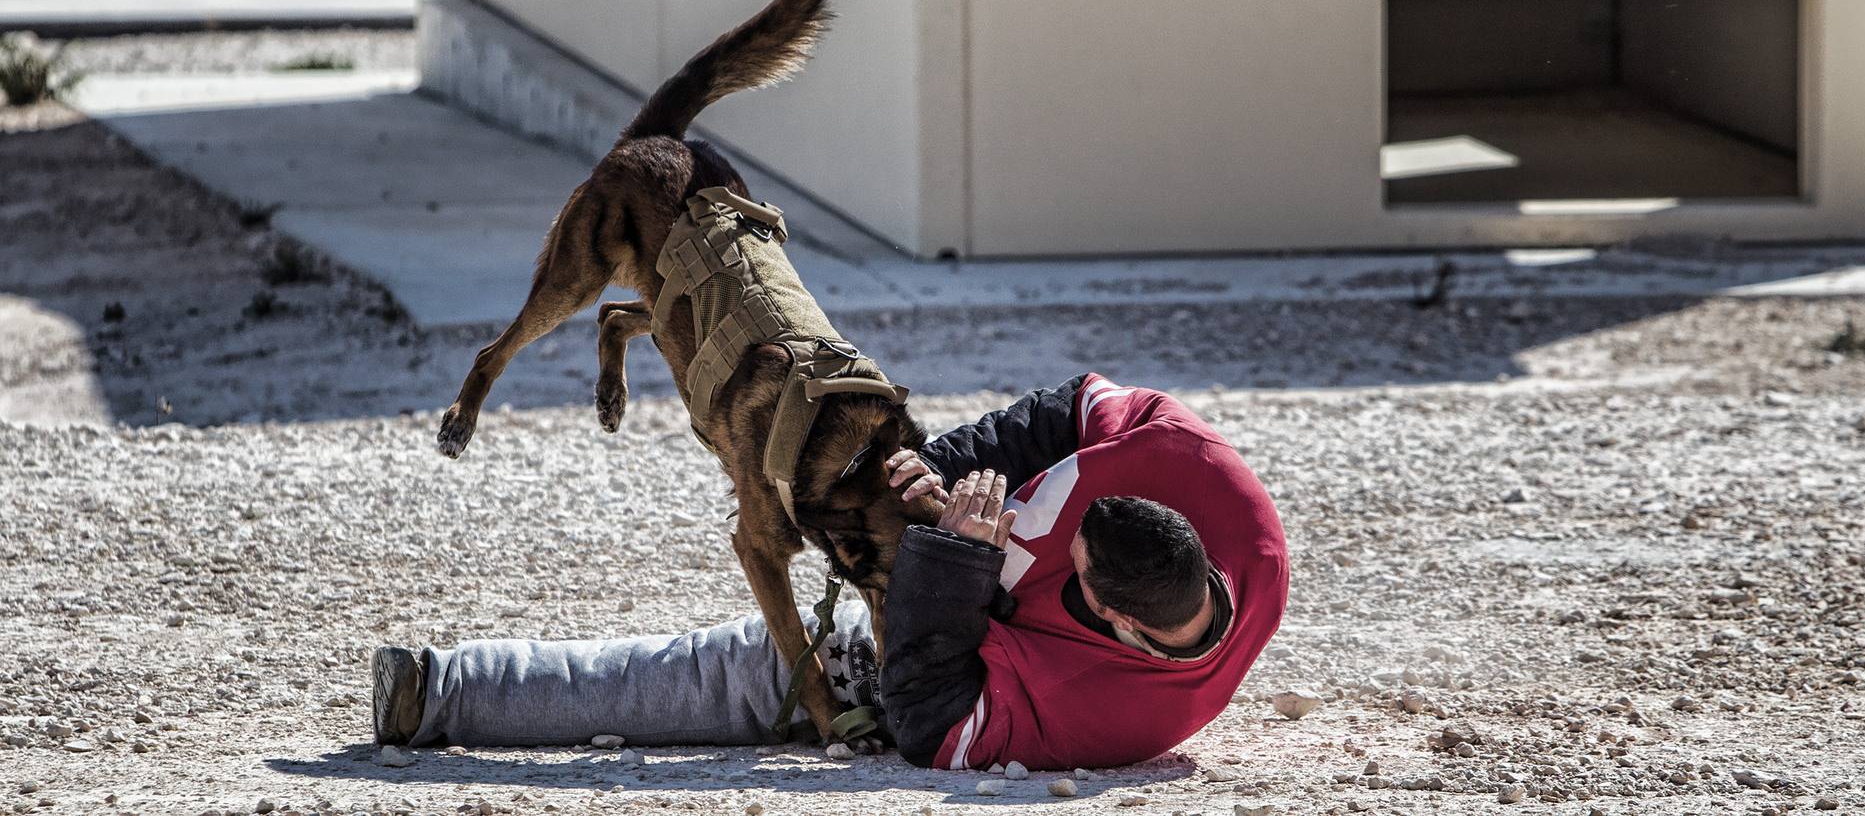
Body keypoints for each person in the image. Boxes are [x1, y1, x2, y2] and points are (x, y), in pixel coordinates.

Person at [371, 374, 1288, 769]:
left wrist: (955, 555)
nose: (1039, 533)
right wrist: (943, 466)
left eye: (1067, 563)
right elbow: (1066, 412)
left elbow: (929, 720)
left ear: (1120, 622)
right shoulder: (1214, 489)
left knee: (717, 675)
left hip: (931, 646)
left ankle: (444, 692)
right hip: (952, 572)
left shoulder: (1122, 715)